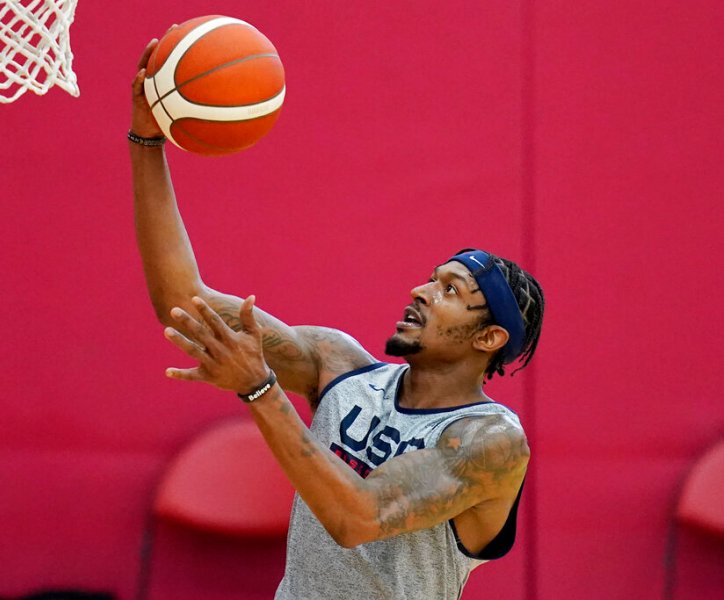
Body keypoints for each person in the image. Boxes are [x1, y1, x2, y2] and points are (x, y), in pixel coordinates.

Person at [129, 37, 545, 600]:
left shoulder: (489, 441)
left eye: (450, 290)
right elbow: (182, 299)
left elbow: (358, 519)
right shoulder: (338, 365)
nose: (422, 290)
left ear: (489, 336)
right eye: (431, 277)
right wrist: (147, 139)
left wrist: (259, 389)